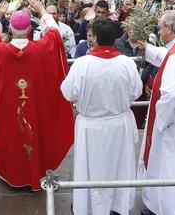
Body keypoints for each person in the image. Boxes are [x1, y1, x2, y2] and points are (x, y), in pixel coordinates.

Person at [0, 0, 74, 191]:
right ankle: (37, 170)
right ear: (31, 30)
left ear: (10, 30)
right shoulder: (41, 49)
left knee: (12, 135)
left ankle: (12, 172)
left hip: (9, 109)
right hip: (36, 108)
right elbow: (55, 34)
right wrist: (43, 12)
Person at [60, 17, 141, 215]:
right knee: (119, 167)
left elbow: (67, 92)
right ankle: (117, 206)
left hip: (91, 127)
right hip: (119, 125)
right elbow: (137, 91)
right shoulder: (127, 63)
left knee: (90, 169)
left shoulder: (82, 64)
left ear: (94, 38)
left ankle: (88, 206)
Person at [131, 10, 175, 215]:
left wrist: (161, 121)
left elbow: (171, 94)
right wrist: (147, 47)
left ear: (169, 29)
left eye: (161, 27)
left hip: (172, 126)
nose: (159, 31)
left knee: (167, 164)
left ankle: (161, 208)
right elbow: (167, 55)